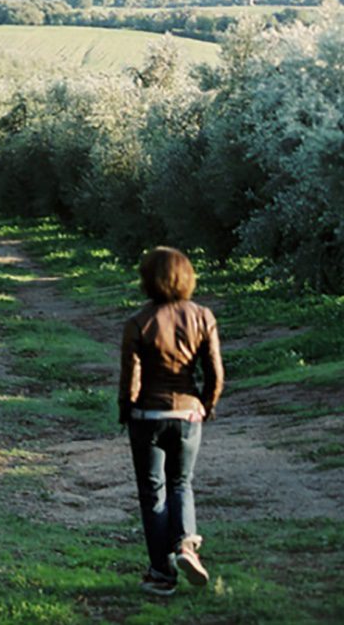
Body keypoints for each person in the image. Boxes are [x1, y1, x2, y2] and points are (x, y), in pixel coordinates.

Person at [118, 246, 224, 597]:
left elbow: (131, 378)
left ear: (147, 280)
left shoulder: (138, 322)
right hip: (188, 413)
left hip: (148, 414)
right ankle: (185, 546)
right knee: (181, 482)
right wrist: (205, 406)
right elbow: (214, 372)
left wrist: (126, 410)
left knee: (153, 494)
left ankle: (161, 574)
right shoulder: (203, 316)